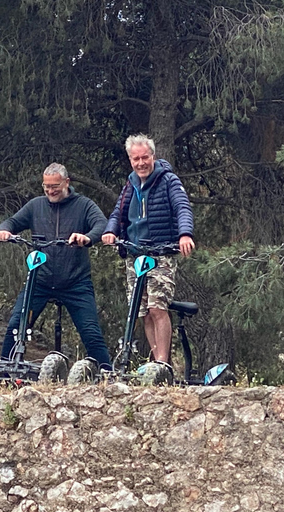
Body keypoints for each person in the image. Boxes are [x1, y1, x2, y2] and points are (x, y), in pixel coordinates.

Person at [0, 163, 112, 370]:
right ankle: (6, 372)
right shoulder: (36, 205)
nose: (50, 191)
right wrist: (4, 230)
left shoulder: (84, 205)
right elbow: (12, 222)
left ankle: (107, 374)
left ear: (66, 182)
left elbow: (102, 225)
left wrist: (86, 238)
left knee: (91, 332)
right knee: (16, 325)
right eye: (46, 186)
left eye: (55, 186)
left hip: (75, 282)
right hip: (39, 280)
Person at [101, 134, 195, 376]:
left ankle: (163, 364)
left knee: (157, 308)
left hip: (160, 254)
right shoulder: (130, 184)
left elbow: (182, 207)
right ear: (130, 160)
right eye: (136, 159)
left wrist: (185, 234)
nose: (141, 163)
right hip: (134, 256)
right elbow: (118, 212)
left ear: (153, 156)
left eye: (145, 157)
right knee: (142, 312)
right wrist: (110, 231)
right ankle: (155, 365)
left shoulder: (168, 180)